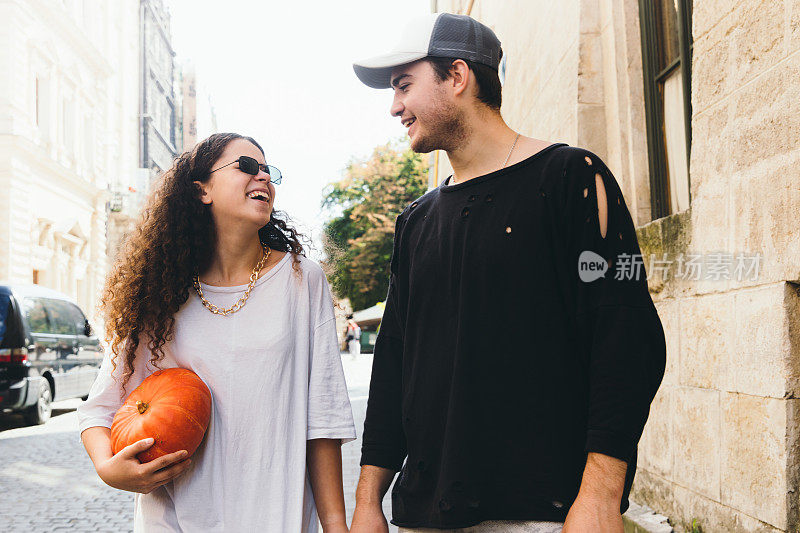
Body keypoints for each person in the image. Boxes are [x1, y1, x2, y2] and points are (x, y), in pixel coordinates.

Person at [349, 13, 666, 533]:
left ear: (457, 76)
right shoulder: (415, 222)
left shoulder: (570, 179)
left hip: (543, 513)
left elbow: (626, 342)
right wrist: (368, 502)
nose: (394, 107)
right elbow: (393, 366)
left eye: (404, 86)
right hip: (424, 516)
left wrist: (601, 496)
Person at [77, 133, 356, 532]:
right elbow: (99, 408)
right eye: (246, 166)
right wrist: (108, 469)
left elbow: (323, 418)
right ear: (202, 189)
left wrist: (336, 525)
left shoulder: (301, 279)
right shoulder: (159, 291)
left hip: (277, 518)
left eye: (267, 170)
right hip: (173, 520)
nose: (262, 177)